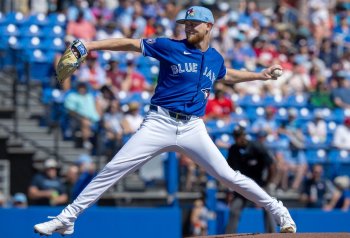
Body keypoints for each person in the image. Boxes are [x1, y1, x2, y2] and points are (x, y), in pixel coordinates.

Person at [34, 6, 296, 236]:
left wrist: (260, 75)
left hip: (193, 126)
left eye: (194, 24)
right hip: (160, 122)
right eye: (186, 23)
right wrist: (89, 46)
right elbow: (130, 44)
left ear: (209, 27)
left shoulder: (214, 58)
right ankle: (66, 219)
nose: (188, 27)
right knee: (113, 169)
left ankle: (279, 211)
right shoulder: (171, 46)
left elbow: (227, 75)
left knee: (229, 176)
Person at [225, 127, 277, 234]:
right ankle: (229, 235)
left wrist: (268, 182)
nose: (238, 138)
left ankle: (272, 234)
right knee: (234, 209)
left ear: (244, 135)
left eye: (239, 135)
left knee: (269, 207)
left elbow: (272, 165)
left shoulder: (256, 146)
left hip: (260, 183)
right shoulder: (233, 149)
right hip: (242, 185)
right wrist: (230, 190)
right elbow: (228, 171)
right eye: (236, 136)